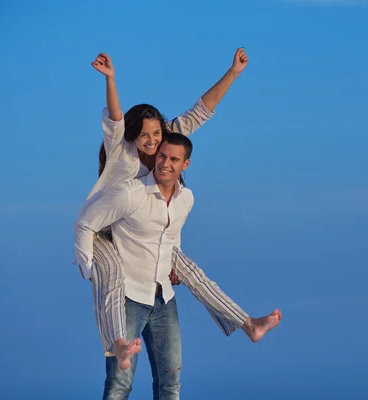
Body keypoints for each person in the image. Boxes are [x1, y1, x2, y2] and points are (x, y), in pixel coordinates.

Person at [74, 51, 281, 397]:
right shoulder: (121, 151)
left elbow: (201, 111)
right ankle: (120, 343)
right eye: (144, 136)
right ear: (133, 135)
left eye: (157, 135)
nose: (153, 142)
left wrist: (233, 72)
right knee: (109, 277)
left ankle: (247, 323)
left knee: (194, 274)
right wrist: (111, 79)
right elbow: (114, 120)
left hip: (152, 256)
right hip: (103, 233)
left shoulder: (168, 159)